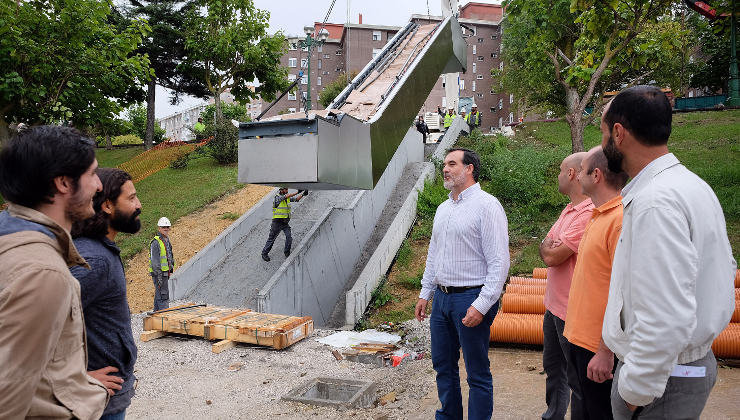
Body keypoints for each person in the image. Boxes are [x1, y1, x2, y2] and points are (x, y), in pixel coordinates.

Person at [600, 86, 736, 419]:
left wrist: (635, 390)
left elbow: (664, 315)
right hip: (676, 370)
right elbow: (725, 270)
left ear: (618, 133)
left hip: (663, 380)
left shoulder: (656, 203)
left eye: (602, 134)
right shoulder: (691, 185)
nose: (602, 145)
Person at [0, 125, 108, 419]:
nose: (99, 186)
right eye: (92, 174)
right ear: (63, 183)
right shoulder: (43, 273)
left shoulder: (8, 235)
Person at [415, 148, 510, 420]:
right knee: (443, 366)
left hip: (471, 297)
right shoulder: (443, 208)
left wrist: (481, 305)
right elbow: (434, 254)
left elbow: (499, 263)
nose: (445, 169)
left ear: (469, 169)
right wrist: (425, 293)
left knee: (476, 372)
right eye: (444, 164)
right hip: (442, 299)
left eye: (452, 164)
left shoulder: (487, 205)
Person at [562, 146, 629, 420]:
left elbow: (623, 292)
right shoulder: (598, 214)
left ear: (597, 175)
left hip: (597, 348)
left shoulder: (619, 220)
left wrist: (605, 350)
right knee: (585, 409)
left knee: (600, 412)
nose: (576, 175)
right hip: (579, 339)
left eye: (582, 171)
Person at [71, 168, 142, 419]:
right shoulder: (94, 260)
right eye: (131, 198)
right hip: (96, 403)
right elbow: (35, 323)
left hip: (105, 397)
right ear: (108, 206)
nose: (139, 205)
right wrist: (76, 378)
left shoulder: (99, 251)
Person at [540, 152, 594, 420]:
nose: (558, 176)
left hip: (572, 311)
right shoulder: (568, 210)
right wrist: (550, 246)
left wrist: (551, 246)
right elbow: (546, 246)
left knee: (577, 379)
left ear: (571, 174)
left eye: (561, 171)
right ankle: (553, 416)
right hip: (553, 308)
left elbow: (551, 255)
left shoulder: (588, 213)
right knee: (553, 370)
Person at [261, 187, 306, 262]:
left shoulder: (286, 199)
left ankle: (287, 252)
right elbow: (286, 196)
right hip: (277, 223)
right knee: (271, 239)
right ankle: (264, 253)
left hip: (285, 223)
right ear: (281, 190)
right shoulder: (277, 198)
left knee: (289, 237)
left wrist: (303, 194)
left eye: (287, 189)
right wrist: (297, 192)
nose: (287, 191)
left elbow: (296, 199)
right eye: (286, 189)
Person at [150, 216, 175, 311]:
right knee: (163, 295)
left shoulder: (166, 240)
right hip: (158, 274)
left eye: (167, 227)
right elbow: (155, 263)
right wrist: (159, 277)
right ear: (159, 228)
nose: (166, 229)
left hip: (165, 273)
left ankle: (155, 316)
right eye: (163, 227)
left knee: (159, 294)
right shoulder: (155, 243)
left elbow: (170, 256)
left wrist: (171, 269)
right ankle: (164, 316)